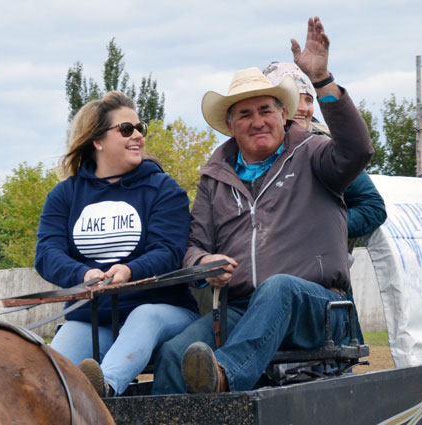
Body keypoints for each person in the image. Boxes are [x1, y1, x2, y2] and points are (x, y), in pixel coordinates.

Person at [151, 16, 373, 394]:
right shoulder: (214, 178)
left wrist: (321, 81)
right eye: (245, 114)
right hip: (243, 311)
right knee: (176, 352)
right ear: (230, 125)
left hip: (316, 309)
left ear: (283, 115)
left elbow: (358, 150)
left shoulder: (313, 153)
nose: (258, 121)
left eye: (266, 110)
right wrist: (204, 264)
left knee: (279, 288)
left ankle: (224, 378)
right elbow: (192, 248)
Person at [34, 91, 199, 397]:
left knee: (144, 316)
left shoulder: (163, 189)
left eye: (140, 128)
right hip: (93, 317)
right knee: (48, 384)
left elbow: (169, 251)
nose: (137, 135)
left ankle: (104, 390)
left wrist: (129, 270)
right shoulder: (65, 195)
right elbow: (46, 253)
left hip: (164, 311)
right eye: (126, 129)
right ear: (97, 141)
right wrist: (83, 275)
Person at [262, 61, 387, 246]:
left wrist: (321, 227)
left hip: (319, 265)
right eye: (295, 98)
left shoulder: (326, 148)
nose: (304, 108)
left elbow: (373, 207)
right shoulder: (247, 153)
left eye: (308, 100)